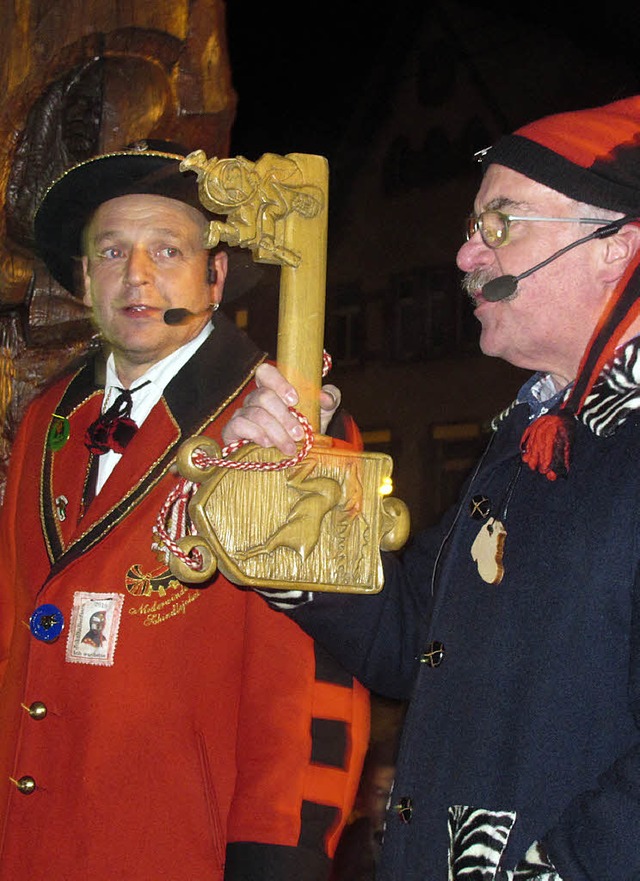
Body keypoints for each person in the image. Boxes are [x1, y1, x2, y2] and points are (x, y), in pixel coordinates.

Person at [221, 94, 640, 881]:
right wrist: (278, 488)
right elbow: (416, 634)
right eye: (471, 227)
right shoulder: (535, 432)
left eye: (500, 224)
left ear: (613, 246)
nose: (465, 255)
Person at [0, 141, 370, 880]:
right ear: (82, 278)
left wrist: (277, 857)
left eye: (167, 249)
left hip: (175, 848)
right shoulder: (47, 416)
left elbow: (309, 679)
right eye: (111, 251)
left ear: (216, 274)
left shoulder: (284, 422)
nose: (136, 275)